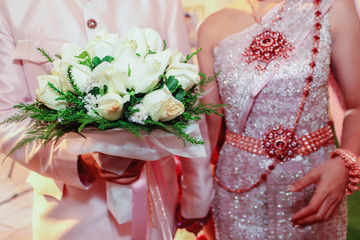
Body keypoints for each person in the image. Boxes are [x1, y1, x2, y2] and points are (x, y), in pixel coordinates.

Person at [0, 0, 213, 239]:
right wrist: (76, 159)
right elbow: (6, 116)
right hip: (68, 212)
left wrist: (198, 197)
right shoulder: (11, 6)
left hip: (155, 198)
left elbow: (188, 94)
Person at [197, 0, 360, 239]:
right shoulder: (212, 26)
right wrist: (195, 196)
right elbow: (207, 128)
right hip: (238, 187)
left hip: (315, 184)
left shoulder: (330, 7)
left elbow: (356, 104)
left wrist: (344, 163)